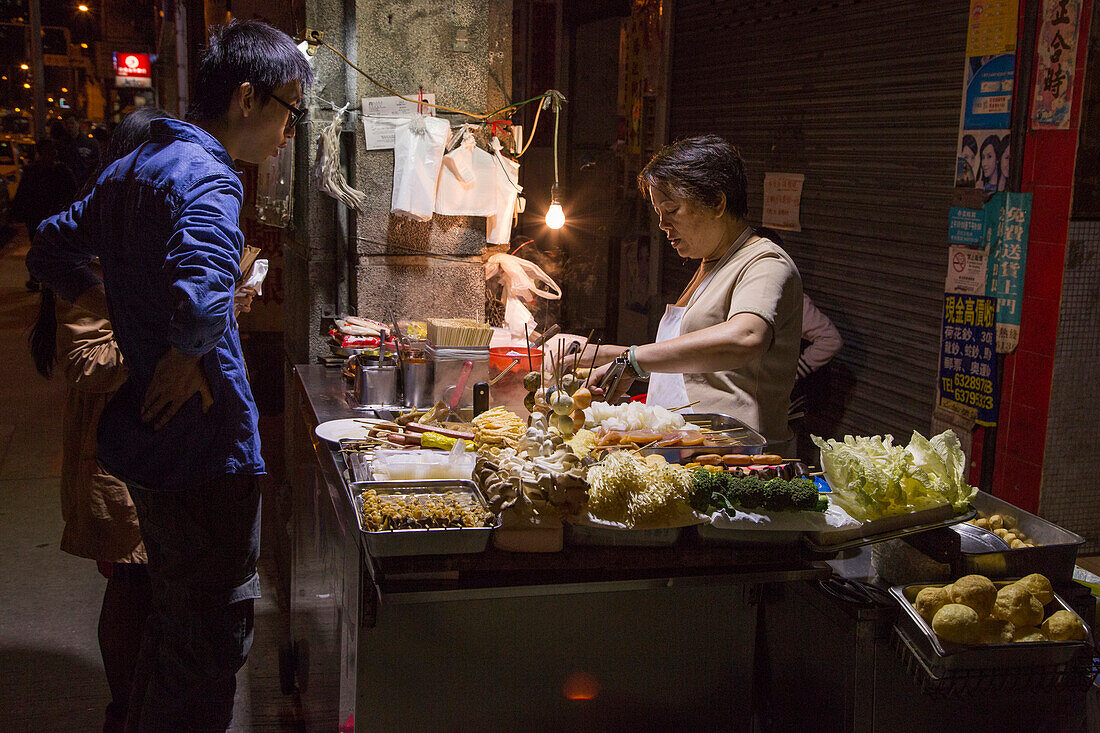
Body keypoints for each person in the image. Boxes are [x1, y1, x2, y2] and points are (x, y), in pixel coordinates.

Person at [27, 19, 310, 731]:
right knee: (208, 647)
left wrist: (124, 308)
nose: (288, 133)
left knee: (170, 630)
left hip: (149, 449)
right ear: (248, 98)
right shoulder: (210, 177)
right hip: (207, 453)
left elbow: (50, 246)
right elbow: (204, 290)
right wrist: (185, 351)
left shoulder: (132, 168)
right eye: (290, 111)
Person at [587, 135, 803, 450]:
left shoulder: (765, 261)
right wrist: (611, 355)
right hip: (684, 448)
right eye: (659, 212)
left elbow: (746, 337)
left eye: (672, 209)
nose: (662, 225)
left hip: (735, 457)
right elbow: (692, 353)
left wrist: (635, 360)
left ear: (716, 202)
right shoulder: (710, 263)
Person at [11, 138, 78, 290]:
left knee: (41, 246)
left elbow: (22, 194)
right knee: (49, 247)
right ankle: (42, 279)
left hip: (41, 215)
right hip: (47, 215)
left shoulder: (50, 171)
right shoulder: (60, 171)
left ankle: (38, 278)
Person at [789, 294, 843, 459]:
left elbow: (830, 340)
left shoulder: (791, 297)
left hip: (786, 397)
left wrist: (793, 373)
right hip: (760, 391)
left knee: (780, 453)